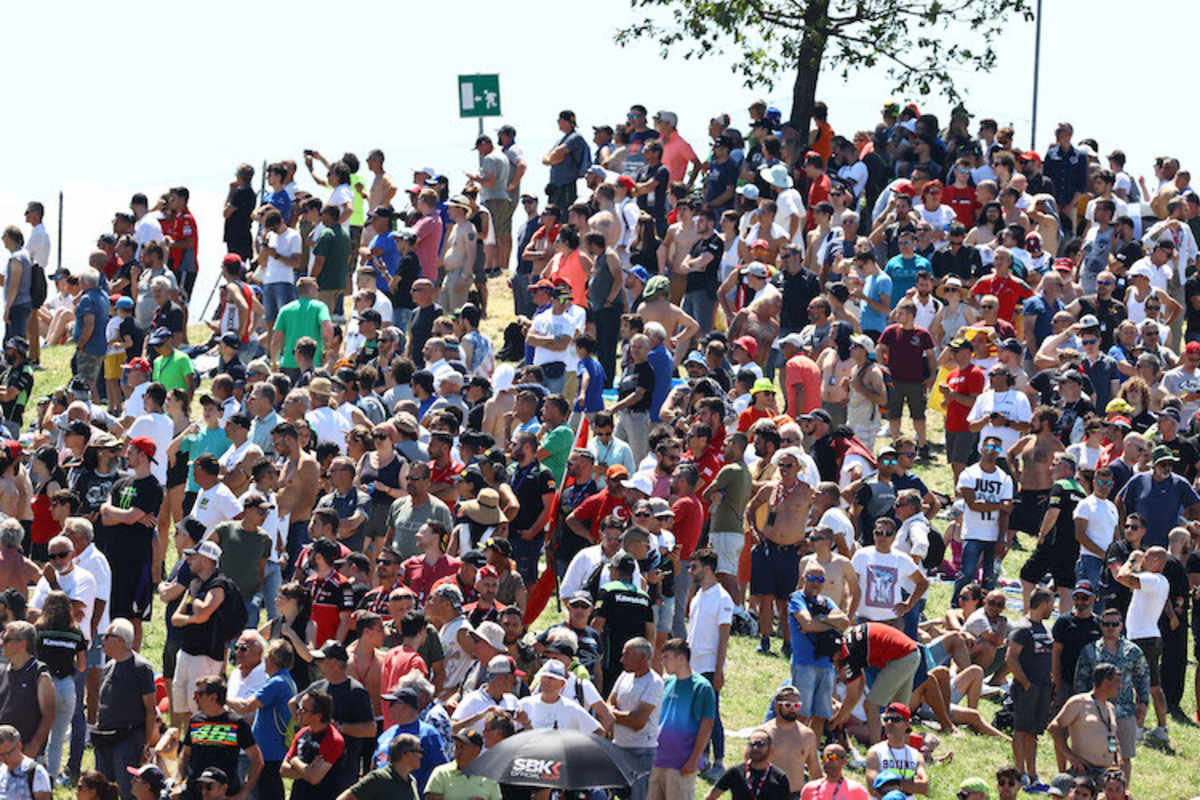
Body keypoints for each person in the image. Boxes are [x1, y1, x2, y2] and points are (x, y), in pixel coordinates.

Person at [1112, 546, 1172, 749]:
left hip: (1141, 639)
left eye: (1147, 557)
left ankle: (1137, 728)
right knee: (1154, 685)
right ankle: (1162, 728)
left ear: (1156, 560)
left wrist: (1131, 559)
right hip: (1150, 636)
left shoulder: (1152, 579)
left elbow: (1121, 577)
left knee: (1139, 684)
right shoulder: (1160, 581)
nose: (1143, 559)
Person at [92, 618, 158, 799]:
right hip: (104, 738)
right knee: (103, 791)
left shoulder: (141, 668)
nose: (102, 640)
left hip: (128, 740)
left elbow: (150, 709)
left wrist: (147, 743)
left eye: (107, 636)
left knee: (128, 790)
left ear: (121, 640)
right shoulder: (107, 667)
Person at [788, 562, 851, 738]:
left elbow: (845, 622)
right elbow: (807, 625)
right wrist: (831, 624)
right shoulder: (796, 599)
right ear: (804, 579)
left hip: (826, 664)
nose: (816, 583)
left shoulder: (826, 602)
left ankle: (812, 755)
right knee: (802, 714)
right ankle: (797, 753)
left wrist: (821, 619)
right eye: (812, 578)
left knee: (820, 716)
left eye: (820, 579)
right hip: (804, 664)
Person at [178, 674, 263, 800]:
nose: (194, 698)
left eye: (198, 695)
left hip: (225, 794)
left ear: (213, 697)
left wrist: (244, 792)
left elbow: (257, 760)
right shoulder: (195, 721)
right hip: (195, 793)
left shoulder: (237, 723)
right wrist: (179, 782)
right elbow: (185, 755)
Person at [952, 435, 1014, 604]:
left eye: (997, 449)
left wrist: (1002, 538)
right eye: (990, 447)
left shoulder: (1005, 478)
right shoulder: (969, 474)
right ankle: (956, 604)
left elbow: (1006, 511)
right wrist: (1000, 505)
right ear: (981, 448)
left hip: (994, 535)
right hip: (973, 532)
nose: (993, 451)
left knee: (990, 578)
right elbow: (973, 504)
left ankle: (985, 608)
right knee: (967, 573)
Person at [650, 638, 715, 800]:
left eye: (666, 657)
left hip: (681, 762)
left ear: (681, 658)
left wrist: (694, 760)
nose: (662, 661)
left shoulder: (702, 687)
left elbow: (706, 727)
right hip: (657, 759)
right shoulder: (667, 682)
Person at [1006, 587, 1056, 791]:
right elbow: (1010, 657)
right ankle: (1020, 772)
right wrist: (1025, 683)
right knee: (1021, 730)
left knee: (1033, 732)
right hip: (1026, 688)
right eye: (1051, 604)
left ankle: (1033, 773)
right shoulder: (1022, 627)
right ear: (1043, 603)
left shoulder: (1044, 627)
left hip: (1043, 688)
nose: (1053, 608)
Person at [607, 637, 664, 800]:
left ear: (642, 659)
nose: (621, 659)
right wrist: (620, 715)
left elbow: (638, 721)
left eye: (627, 656)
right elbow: (608, 703)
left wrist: (613, 714)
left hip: (642, 753)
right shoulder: (624, 676)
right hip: (617, 748)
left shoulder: (654, 683)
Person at [1048, 663, 1122, 783]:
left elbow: (1112, 738)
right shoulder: (1079, 702)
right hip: (1084, 772)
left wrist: (1117, 760)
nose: (1120, 686)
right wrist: (1070, 756)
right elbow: (1054, 727)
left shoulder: (1110, 708)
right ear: (1105, 682)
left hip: (1107, 773)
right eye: (1117, 681)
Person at [0, 621, 54, 759]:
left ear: (22, 643)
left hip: (24, 754)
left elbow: (49, 715)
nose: (1, 643)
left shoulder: (40, 674)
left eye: (6, 639)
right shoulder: (3, 670)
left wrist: (34, 745)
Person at [282, 688, 348, 799]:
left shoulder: (333, 740)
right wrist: (306, 771)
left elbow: (314, 778)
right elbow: (283, 770)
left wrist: (295, 761)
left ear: (318, 716)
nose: (298, 712)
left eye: (303, 710)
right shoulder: (302, 733)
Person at [703, 728, 791, 800]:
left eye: (760, 744)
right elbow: (710, 797)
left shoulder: (779, 777)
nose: (755, 748)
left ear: (770, 748)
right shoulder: (735, 772)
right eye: (752, 744)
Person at [864, 702, 929, 798]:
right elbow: (873, 788)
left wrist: (890, 783)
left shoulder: (916, 755)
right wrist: (910, 784)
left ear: (907, 724)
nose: (890, 723)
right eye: (886, 719)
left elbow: (924, 787)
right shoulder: (875, 752)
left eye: (895, 719)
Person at [800, 743, 869, 800]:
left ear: (844, 761)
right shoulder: (809, 788)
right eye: (824, 757)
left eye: (832, 757)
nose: (827, 761)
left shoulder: (856, 790)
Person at [0, 724, 51, 800]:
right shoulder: (2, 769)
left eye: (8, 753)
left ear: (19, 746)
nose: (4, 759)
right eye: (0, 755)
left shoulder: (36, 772)